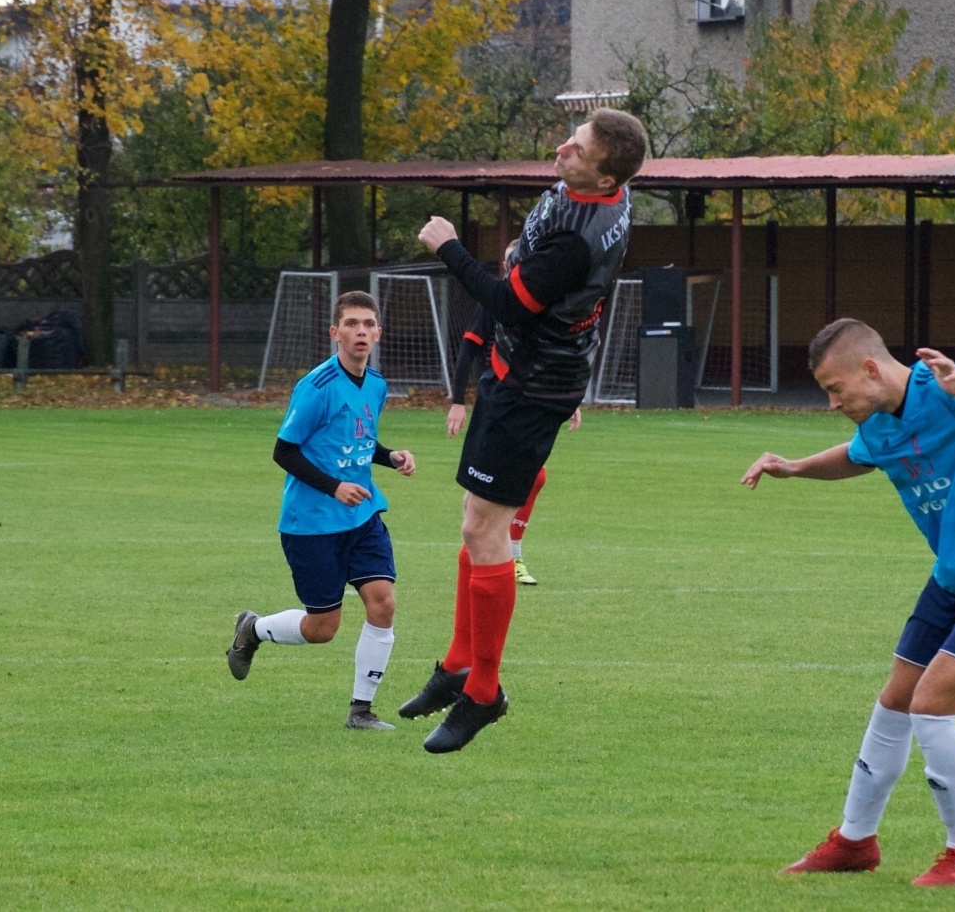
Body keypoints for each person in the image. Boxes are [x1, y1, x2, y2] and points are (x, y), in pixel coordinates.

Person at [741, 319, 955, 887]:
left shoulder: (948, 391)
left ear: (870, 369)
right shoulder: (880, 421)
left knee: (930, 706)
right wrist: (795, 467)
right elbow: (859, 457)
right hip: (953, 581)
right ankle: (854, 841)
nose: (833, 403)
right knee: (895, 701)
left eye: (836, 389)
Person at [402, 107, 647, 754]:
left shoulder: (579, 235)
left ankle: (484, 691)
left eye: (579, 148)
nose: (562, 148)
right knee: (472, 520)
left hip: (532, 386)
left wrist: (448, 246)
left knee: (486, 531)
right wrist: (520, 256)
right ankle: (457, 662)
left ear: (605, 174)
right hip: (521, 370)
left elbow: (509, 300)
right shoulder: (592, 190)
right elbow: (532, 265)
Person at [225, 291, 416, 732]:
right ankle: (252, 629)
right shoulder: (315, 387)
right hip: (311, 524)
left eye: (368, 324)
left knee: (383, 604)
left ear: (378, 333)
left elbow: (360, 441)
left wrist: (391, 458)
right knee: (322, 628)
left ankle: (361, 711)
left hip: (362, 517)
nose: (361, 331)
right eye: (351, 323)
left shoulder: (377, 384)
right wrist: (333, 488)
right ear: (335, 333)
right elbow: (284, 451)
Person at [447, 240, 582, 587]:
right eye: (509, 263)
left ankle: (507, 550)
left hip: (528, 407)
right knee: (481, 506)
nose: (514, 269)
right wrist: (458, 401)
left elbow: (555, 359)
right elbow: (468, 348)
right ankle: (505, 554)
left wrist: (571, 402)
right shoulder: (496, 301)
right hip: (499, 406)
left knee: (528, 482)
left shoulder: (543, 307)